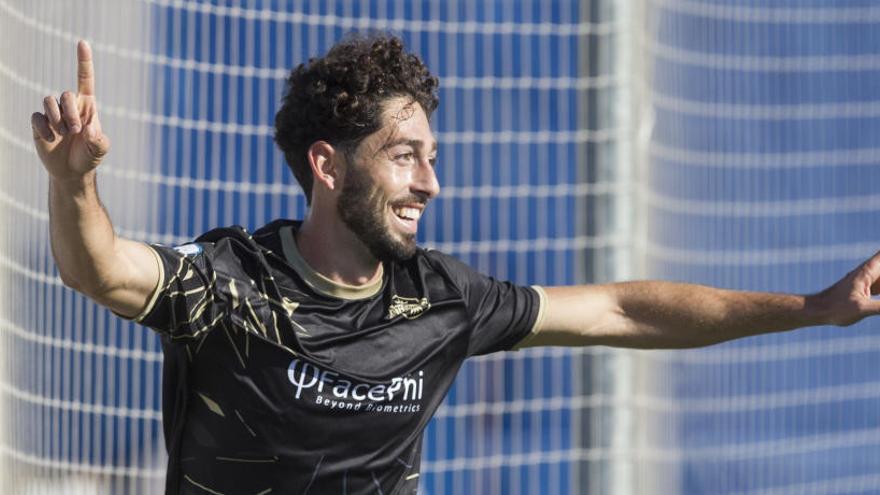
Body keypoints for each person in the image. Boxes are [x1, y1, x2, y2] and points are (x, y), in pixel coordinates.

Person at [31, 35, 880, 495]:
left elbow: (623, 310)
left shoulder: (443, 299)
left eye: (431, 156)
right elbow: (101, 269)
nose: (430, 183)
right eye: (405, 157)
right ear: (328, 167)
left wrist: (811, 306)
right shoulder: (233, 281)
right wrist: (75, 185)